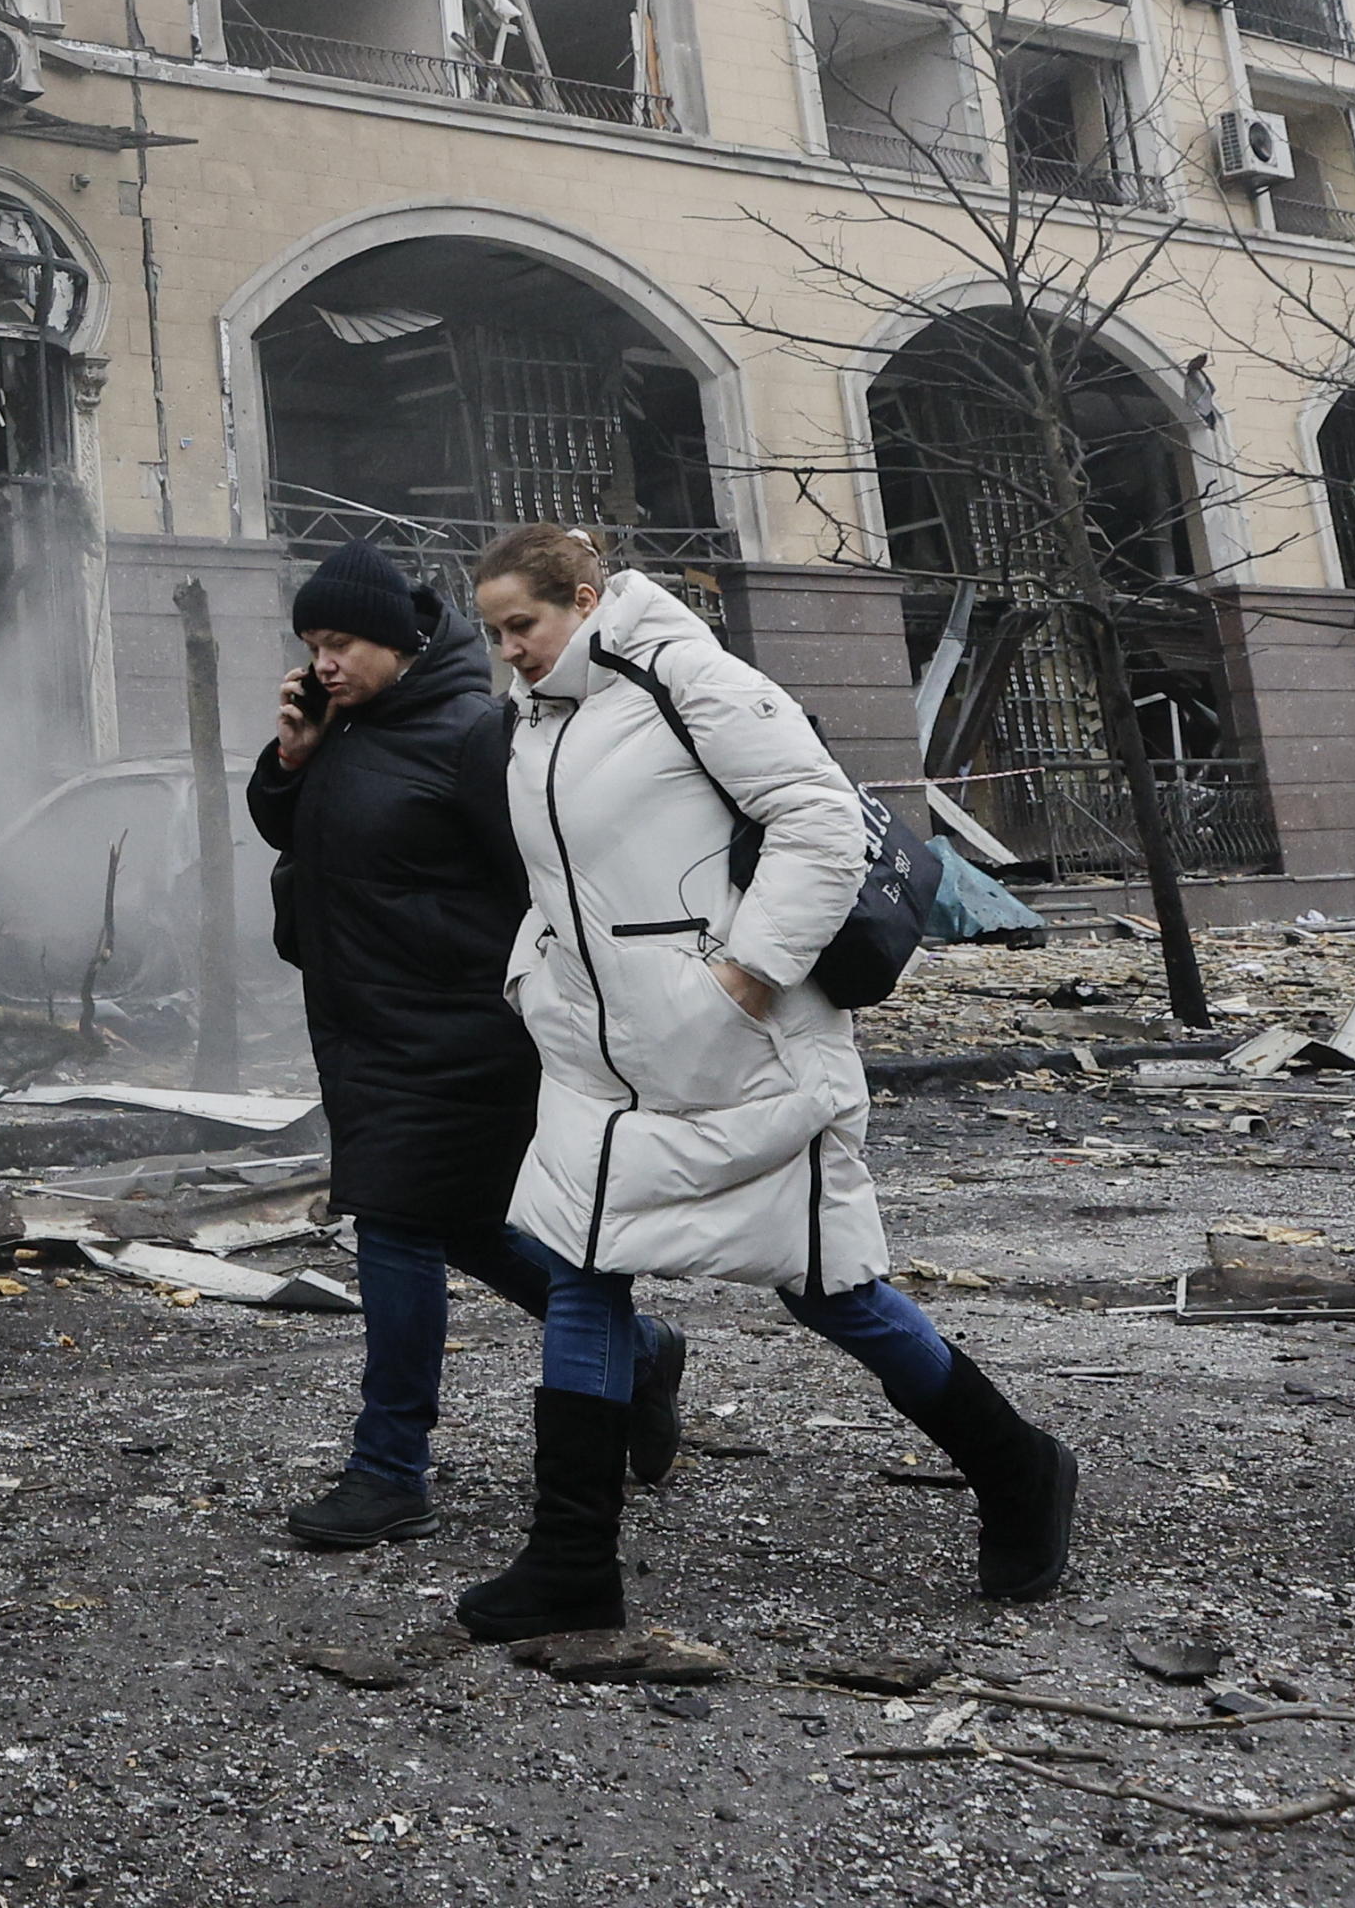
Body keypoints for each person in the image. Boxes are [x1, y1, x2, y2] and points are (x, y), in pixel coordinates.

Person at [447, 521, 1080, 1636]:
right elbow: (563, 882)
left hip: (742, 1050)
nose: (507, 650)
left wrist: (745, 974)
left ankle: (1018, 1466)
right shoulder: (540, 716)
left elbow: (822, 821)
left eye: (521, 624)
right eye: (492, 631)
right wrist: (532, 977)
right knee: (584, 1269)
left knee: (828, 1286)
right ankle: (569, 1562)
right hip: (598, 1060)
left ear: (585, 600)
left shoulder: (692, 678)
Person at [248, 538, 682, 1548]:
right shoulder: (345, 728)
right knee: (469, 1228)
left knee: (395, 1225)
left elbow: (548, 879)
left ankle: (388, 1467)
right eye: (312, 644)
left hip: (458, 1030)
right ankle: (642, 1350)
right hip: (364, 1027)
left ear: (398, 642)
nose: (323, 662)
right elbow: (297, 835)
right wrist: (291, 759)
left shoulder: (473, 735)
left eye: (341, 642)